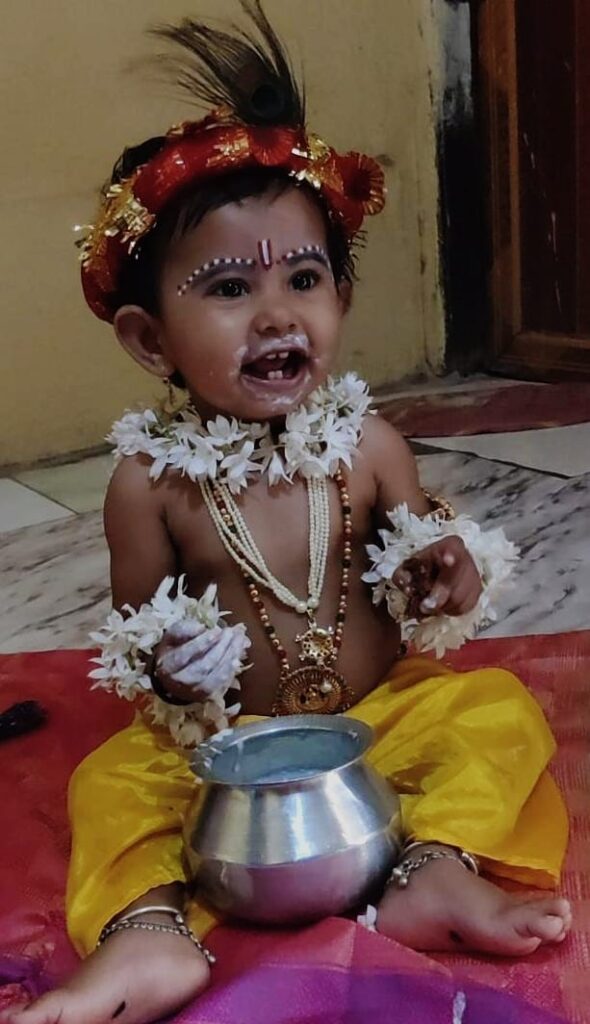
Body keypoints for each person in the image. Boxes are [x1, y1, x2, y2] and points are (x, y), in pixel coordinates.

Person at [4, 3, 570, 1023]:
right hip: (226, 751)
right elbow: (139, 644)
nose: (276, 314)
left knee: (492, 714)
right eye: (228, 288)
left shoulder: (369, 447)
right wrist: (172, 666)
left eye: (304, 278)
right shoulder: (150, 484)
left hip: (376, 720)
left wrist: (444, 571)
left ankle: (431, 872)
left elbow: (426, 568)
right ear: (149, 340)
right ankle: (146, 936)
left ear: (339, 301)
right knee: (111, 783)